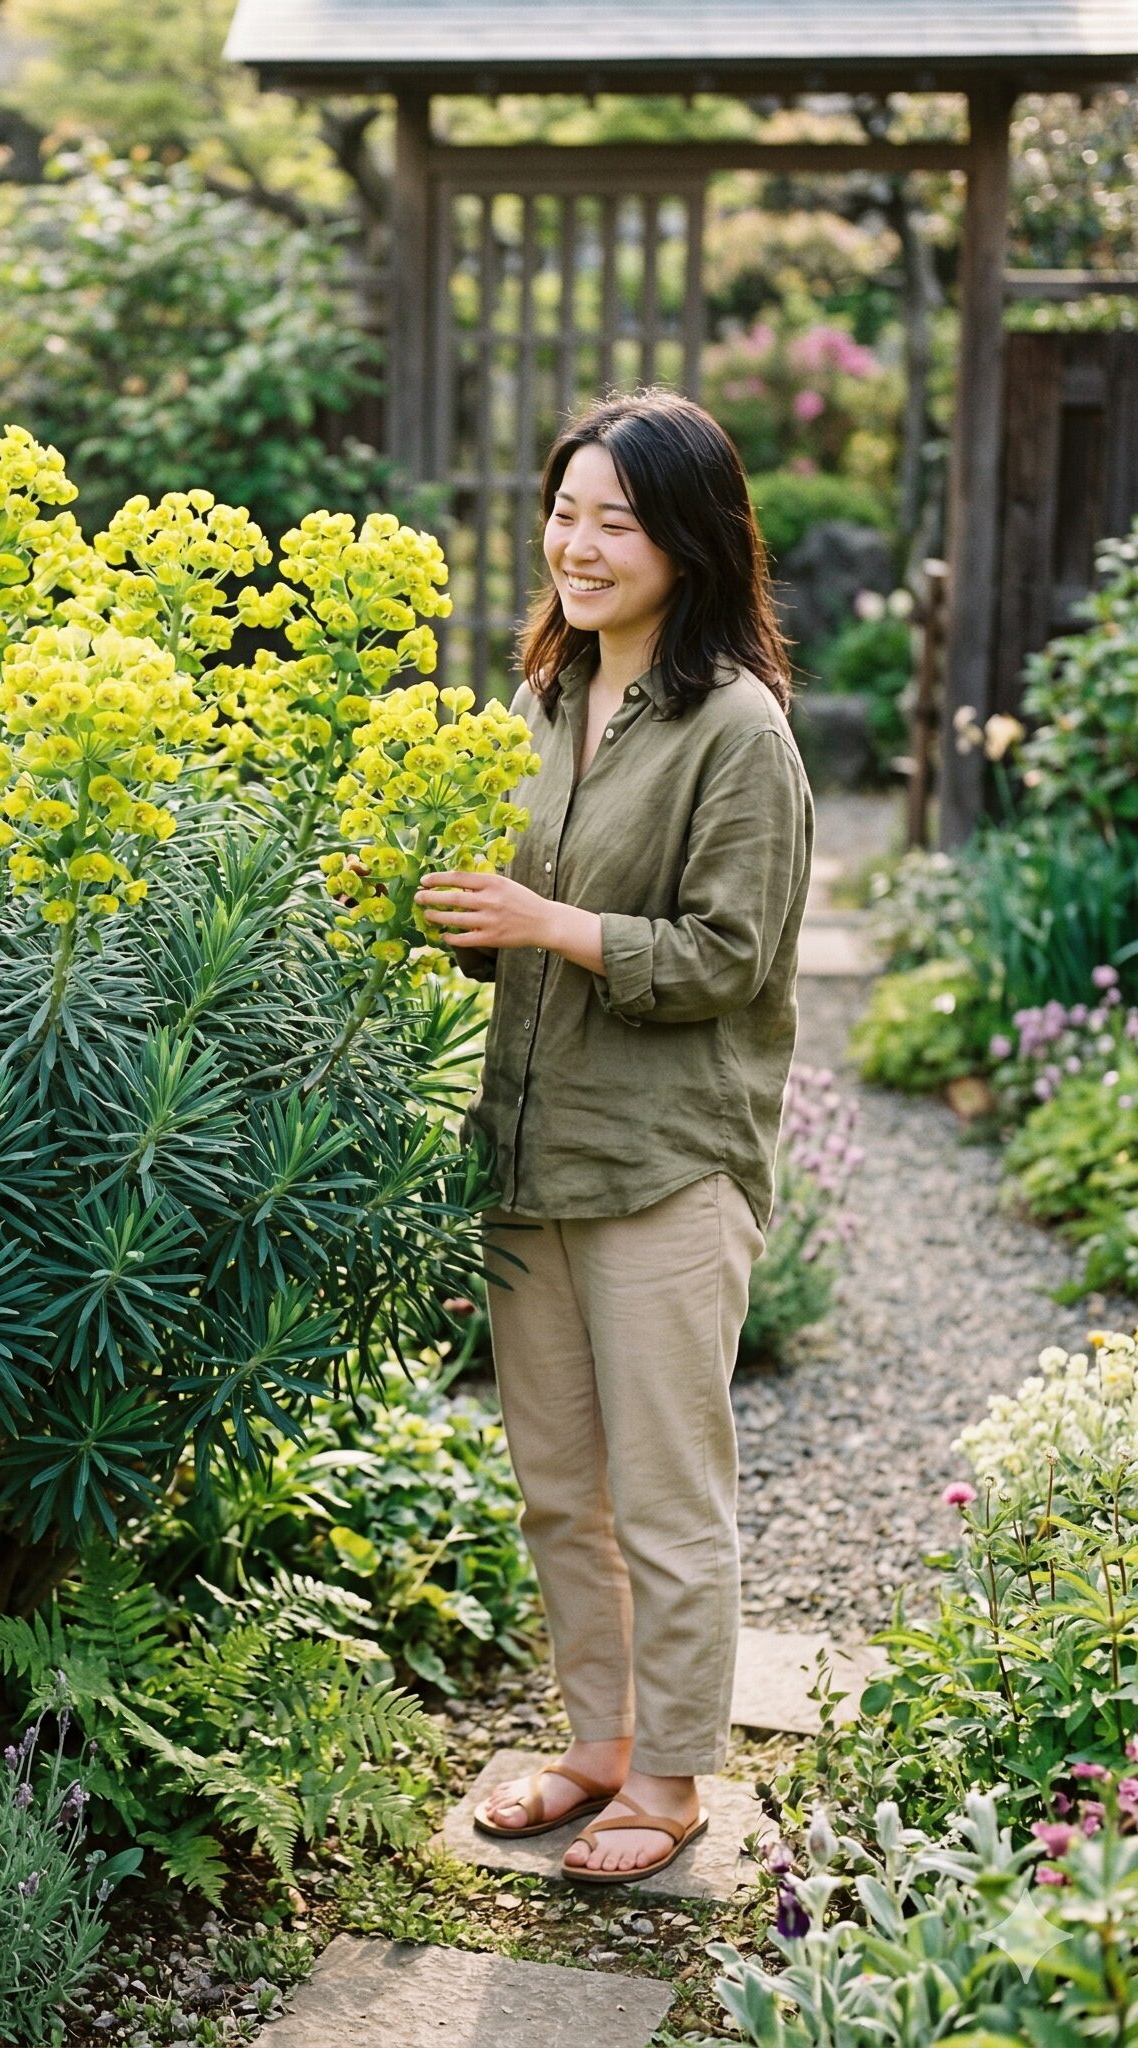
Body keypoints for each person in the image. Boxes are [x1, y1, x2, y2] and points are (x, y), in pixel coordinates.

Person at [416, 389, 812, 1884]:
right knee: (558, 1486)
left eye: (616, 520)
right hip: (531, 1152)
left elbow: (726, 956)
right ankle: (594, 1743)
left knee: (663, 1494)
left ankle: (673, 1779)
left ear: (690, 540)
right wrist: (450, 907)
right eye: (564, 511)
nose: (577, 544)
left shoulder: (738, 732)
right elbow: (518, 928)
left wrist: (546, 922)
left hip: (664, 1163)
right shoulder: (541, 702)